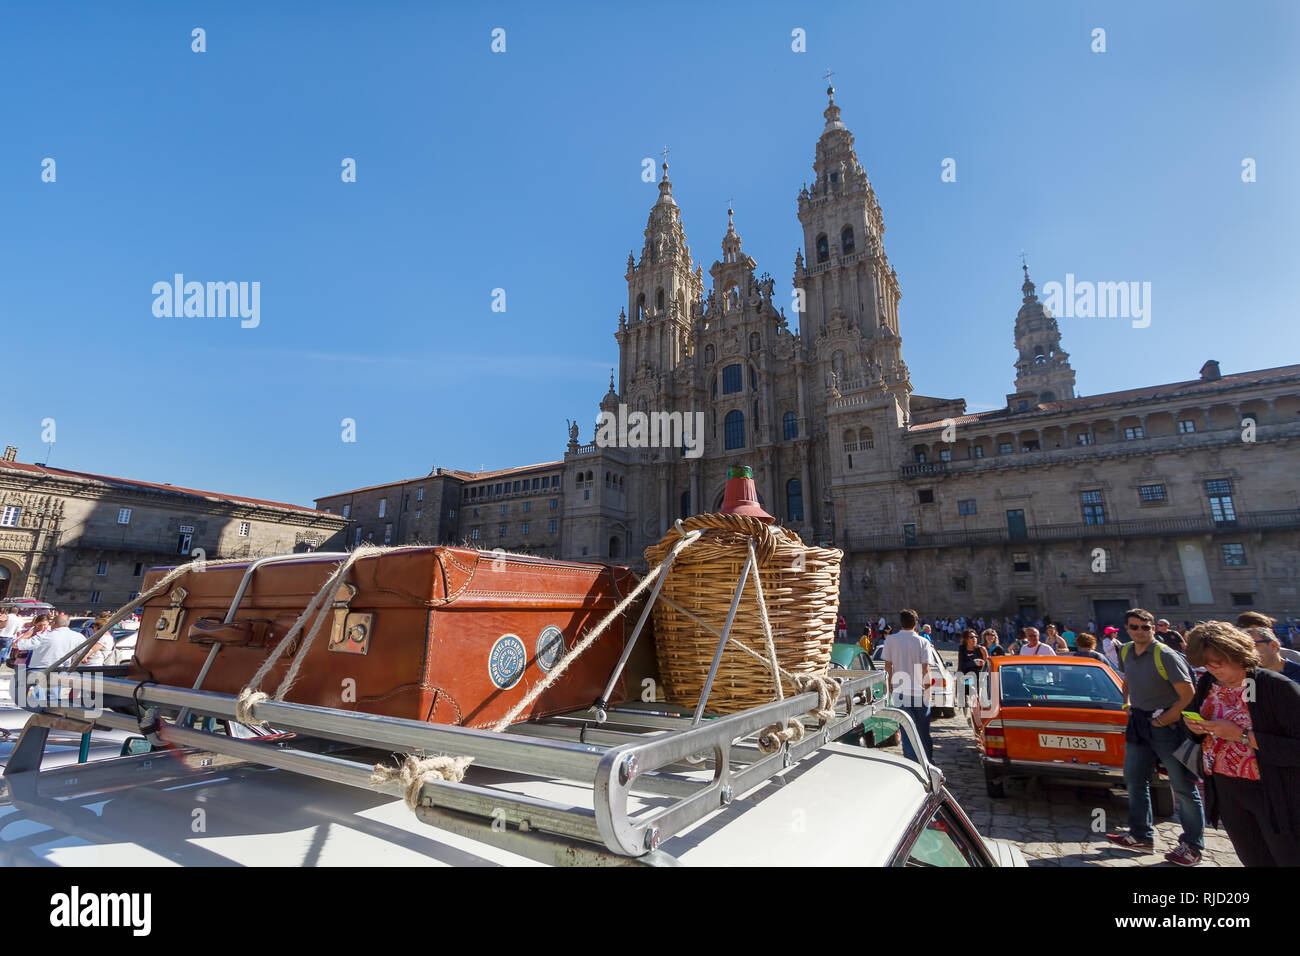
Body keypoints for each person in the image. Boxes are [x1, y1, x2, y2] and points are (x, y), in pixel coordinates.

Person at [1182, 621, 1300, 866]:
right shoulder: (1207, 684)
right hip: (1228, 790)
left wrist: (1242, 736)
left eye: (1218, 661)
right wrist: (1197, 728)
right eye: (1205, 663)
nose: (1212, 668)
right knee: (1253, 860)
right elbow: (1199, 723)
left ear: (1236, 652)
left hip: (1274, 793)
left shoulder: (1276, 686)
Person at [1106, 608, 1205, 866]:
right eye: (1134, 627)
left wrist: (1164, 719)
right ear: (1126, 628)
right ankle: (1141, 835)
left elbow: (1188, 694)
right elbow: (1127, 678)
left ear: (1153, 628)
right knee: (1134, 779)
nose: (1140, 631)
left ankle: (1192, 846)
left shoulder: (1166, 655)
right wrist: (1126, 703)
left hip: (1166, 726)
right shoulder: (1125, 650)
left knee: (1183, 787)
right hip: (1139, 722)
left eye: (1145, 627)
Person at [881, 608, 933, 762]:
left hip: (900, 691)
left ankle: (912, 764)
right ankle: (927, 763)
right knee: (923, 732)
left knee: (907, 732)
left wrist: (890, 687)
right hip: (919, 692)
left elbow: (888, 667)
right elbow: (926, 669)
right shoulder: (923, 642)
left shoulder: (890, 640)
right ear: (916, 624)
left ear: (901, 623)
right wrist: (928, 691)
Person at [13, 612, 87, 670]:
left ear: (53, 623)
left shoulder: (44, 636)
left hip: (40, 669)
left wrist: (26, 635)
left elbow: (16, 644)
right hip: (61, 670)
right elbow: (86, 653)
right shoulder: (78, 636)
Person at [957, 629, 988, 707]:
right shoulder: (962, 649)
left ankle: (977, 702)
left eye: (975, 637)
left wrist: (983, 663)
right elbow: (961, 665)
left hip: (980, 676)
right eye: (971, 637)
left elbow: (987, 665)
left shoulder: (981, 649)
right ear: (966, 639)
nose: (974, 639)